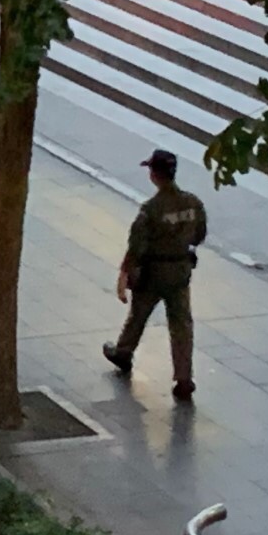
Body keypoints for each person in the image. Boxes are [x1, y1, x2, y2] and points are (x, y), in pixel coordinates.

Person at [103, 148, 207, 398]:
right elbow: (199, 235)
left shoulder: (151, 209)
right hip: (180, 271)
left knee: (138, 314)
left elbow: (137, 245)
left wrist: (124, 273)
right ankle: (184, 378)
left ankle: (124, 353)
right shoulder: (193, 203)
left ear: (154, 174)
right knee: (181, 325)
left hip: (153, 272)